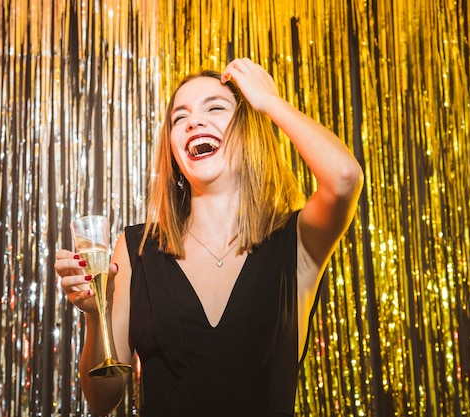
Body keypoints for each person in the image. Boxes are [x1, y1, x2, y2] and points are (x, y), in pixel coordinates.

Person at [55, 58, 363, 416]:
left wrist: (269, 102)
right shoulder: (135, 249)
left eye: (215, 108)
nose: (194, 122)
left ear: (249, 131)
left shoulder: (297, 241)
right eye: (179, 118)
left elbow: (344, 178)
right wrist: (96, 316)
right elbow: (102, 400)